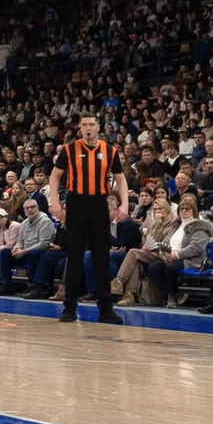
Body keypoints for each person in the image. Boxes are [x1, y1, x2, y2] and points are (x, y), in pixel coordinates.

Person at [47, 113, 127, 324]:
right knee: (74, 256)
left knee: (102, 257)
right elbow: (55, 176)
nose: (88, 128)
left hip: (100, 203)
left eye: (92, 124)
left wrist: (125, 204)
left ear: (98, 127)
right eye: (84, 125)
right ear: (80, 128)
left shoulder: (110, 151)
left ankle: (105, 309)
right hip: (76, 203)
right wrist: (55, 203)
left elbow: (120, 178)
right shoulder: (70, 149)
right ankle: (70, 307)